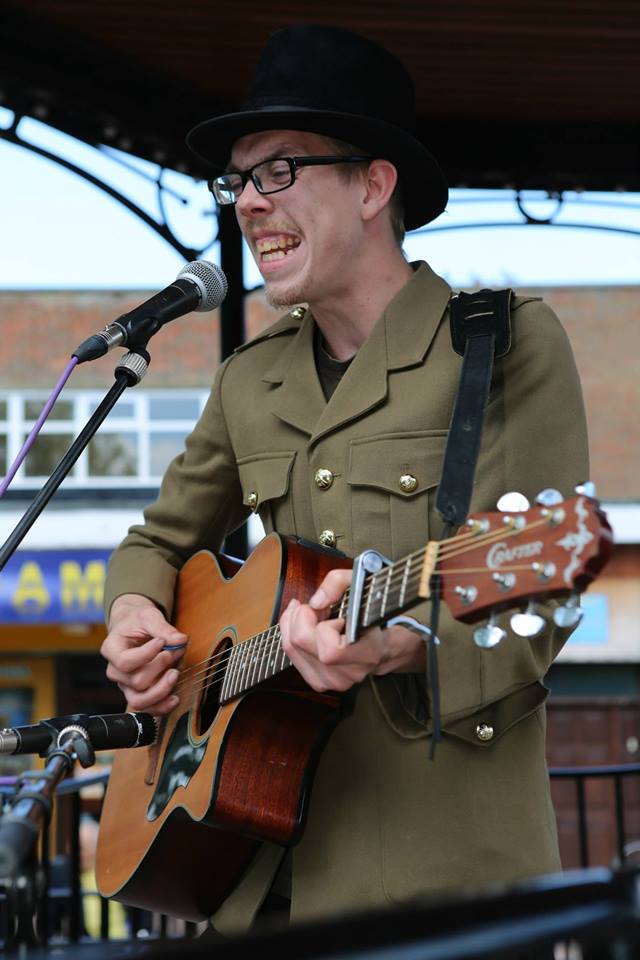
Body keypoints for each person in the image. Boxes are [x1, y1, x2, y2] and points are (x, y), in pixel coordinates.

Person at [99, 24, 589, 936]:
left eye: (279, 170)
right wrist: (133, 614)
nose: (249, 201)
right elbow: (156, 541)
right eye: (238, 181)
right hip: (252, 872)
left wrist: (403, 643)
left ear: (373, 185)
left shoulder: (503, 343)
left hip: (441, 871)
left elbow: (543, 585)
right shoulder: (249, 378)